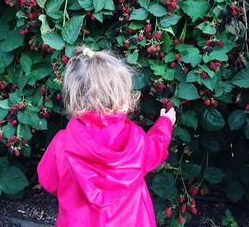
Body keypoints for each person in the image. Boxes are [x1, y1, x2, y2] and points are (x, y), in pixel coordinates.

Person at [37, 45, 176, 227]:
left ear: (74, 100)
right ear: (123, 100)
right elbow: (155, 150)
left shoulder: (62, 143)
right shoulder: (135, 140)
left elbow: (49, 181)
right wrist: (165, 124)